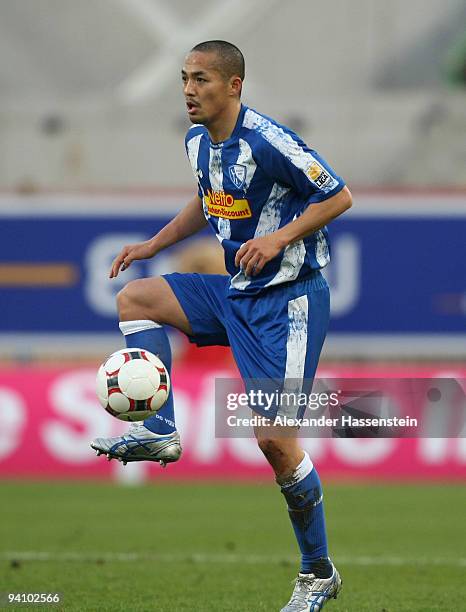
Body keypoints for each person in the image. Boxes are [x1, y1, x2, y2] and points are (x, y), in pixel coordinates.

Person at [91, 40, 352, 611]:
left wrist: (279, 237)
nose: (189, 89)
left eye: (202, 79)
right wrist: (153, 244)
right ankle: (160, 429)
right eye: (184, 78)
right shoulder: (197, 142)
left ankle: (317, 573)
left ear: (233, 85)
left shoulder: (269, 140)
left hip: (288, 303)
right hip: (235, 293)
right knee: (137, 298)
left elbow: (338, 195)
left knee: (275, 443)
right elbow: (208, 202)